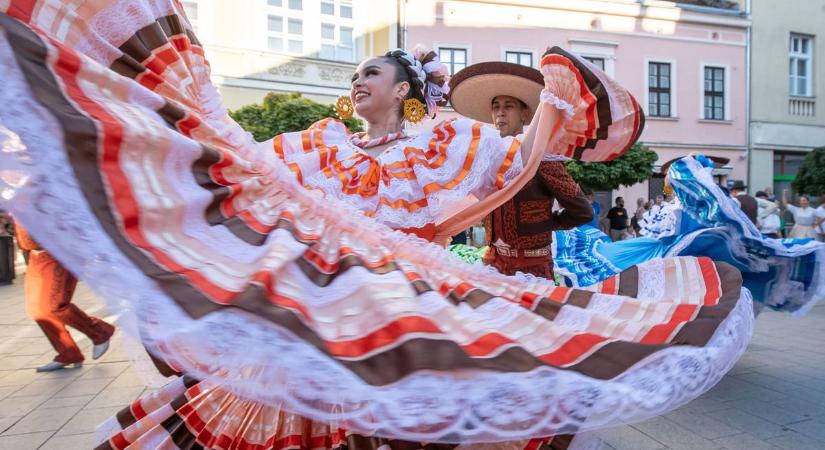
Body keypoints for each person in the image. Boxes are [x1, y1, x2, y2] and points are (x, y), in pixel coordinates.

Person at [0, 5, 754, 449]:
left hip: (402, 295)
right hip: (325, 296)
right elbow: (221, 159)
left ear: (404, 91)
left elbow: (523, 161)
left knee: (393, 411)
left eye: (370, 75)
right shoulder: (311, 145)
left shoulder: (449, 143)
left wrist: (556, 101)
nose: (356, 84)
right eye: (354, 77)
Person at [552, 155, 824, 313]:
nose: (668, 180)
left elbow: (707, 226)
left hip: (668, 254)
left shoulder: (692, 208)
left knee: (651, 288)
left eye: (671, 177)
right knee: (617, 269)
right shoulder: (675, 207)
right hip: (656, 250)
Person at [449, 61, 593, 279]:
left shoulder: (541, 159)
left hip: (531, 269)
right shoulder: (486, 158)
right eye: (496, 107)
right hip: (492, 264)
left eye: (508, 106)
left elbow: (583, 211)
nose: (500, 113)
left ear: (525, 114)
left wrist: (546, 223)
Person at [15, 227, 114, 372]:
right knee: (37, 310)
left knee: (54, 305)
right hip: (34, 254)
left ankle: (99, 332)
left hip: (58, 252)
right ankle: (68, 353)